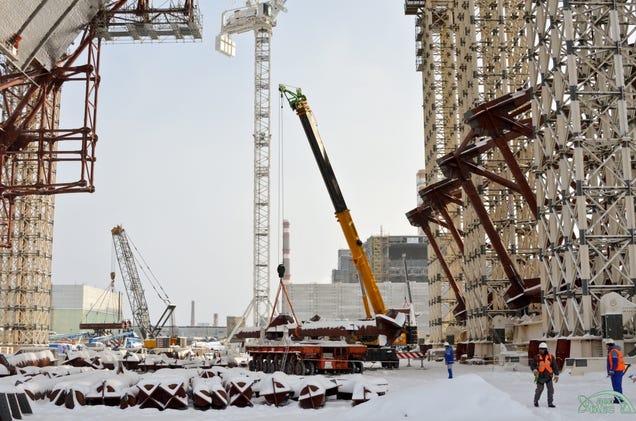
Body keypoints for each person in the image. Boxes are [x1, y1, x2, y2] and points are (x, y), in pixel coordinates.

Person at [530, 342, 559, 408]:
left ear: (545, 349)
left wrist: (556, 375)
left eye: (542, 349)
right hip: (540, 377)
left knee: (551, 390)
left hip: (549, 377)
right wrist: (534, 370)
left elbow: (555, 366)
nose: (541, 350)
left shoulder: (551, 357)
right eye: (540, 349)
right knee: (539, 390)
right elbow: (532, 365)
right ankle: (536, 401)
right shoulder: (536, 357)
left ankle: (550, 403)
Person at [605, 338, 626, 403]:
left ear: (609, 345)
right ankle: (619, 399)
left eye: (606, 345)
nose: (606, 346)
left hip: (616, 371)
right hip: (617, 371)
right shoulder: (614, 350)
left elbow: (615, 361)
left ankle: (618, 400)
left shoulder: (613, 351)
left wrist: (612, 370)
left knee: (616, 385)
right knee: (617, 385)